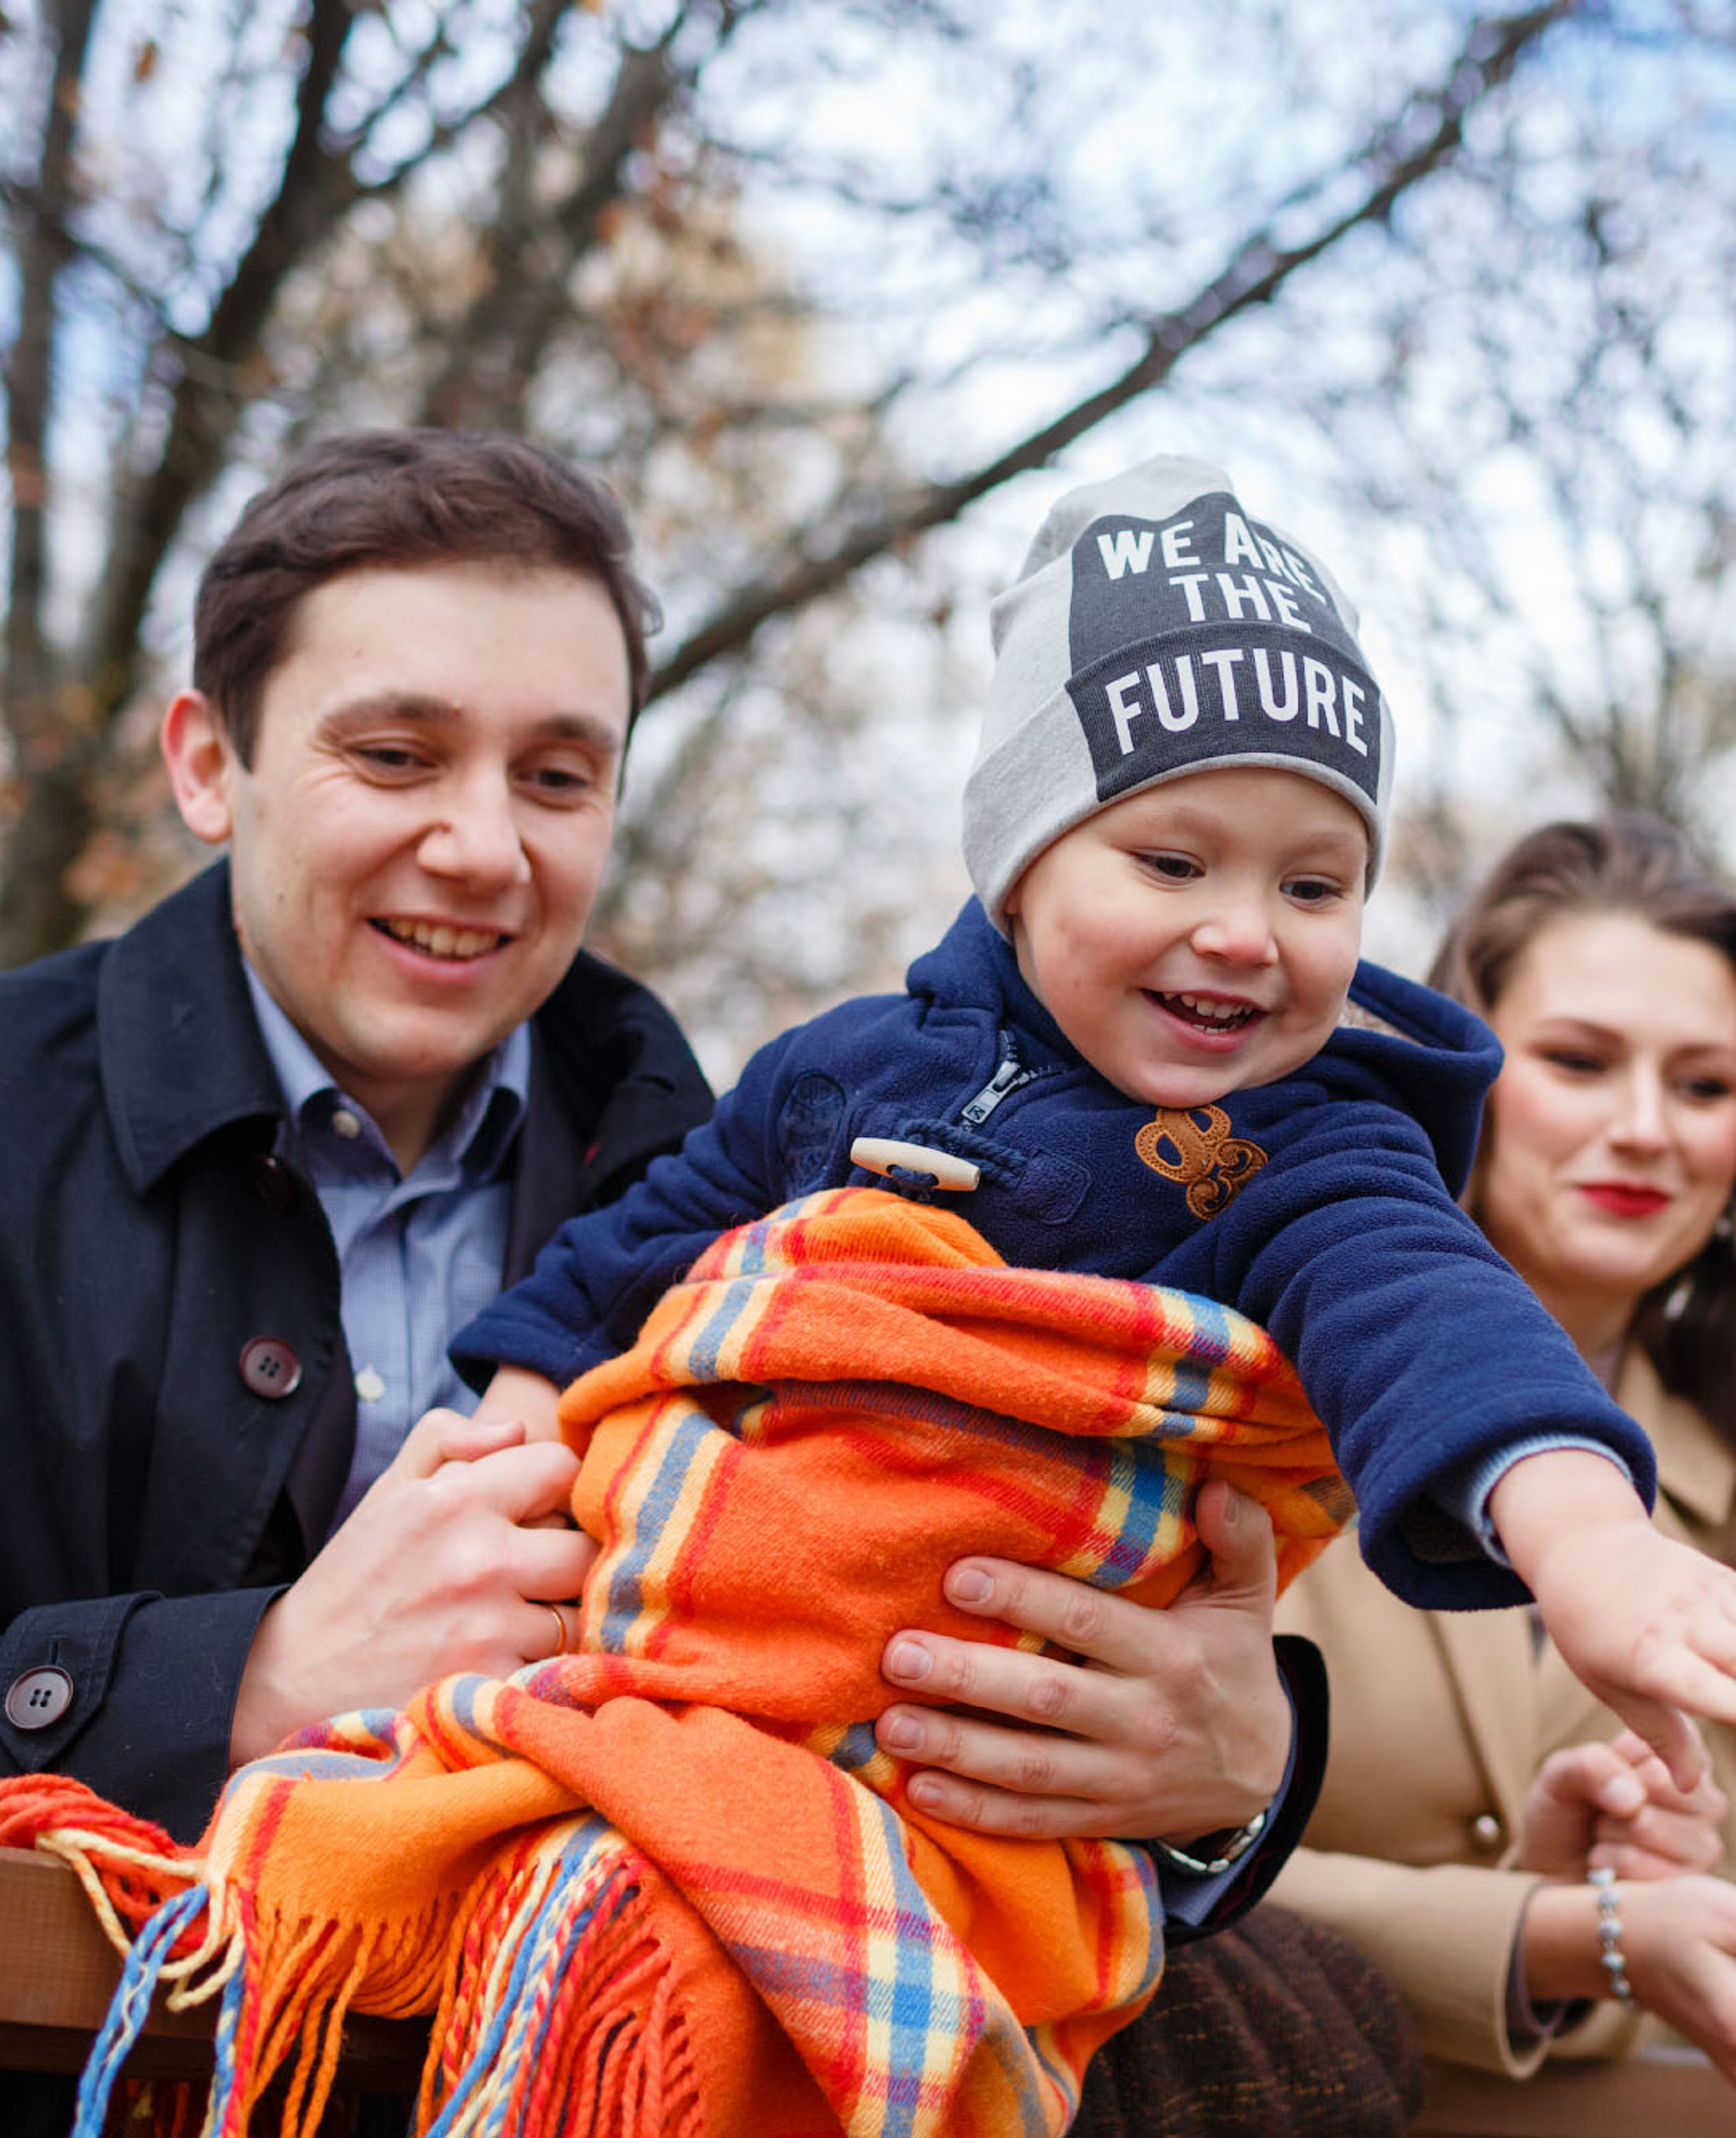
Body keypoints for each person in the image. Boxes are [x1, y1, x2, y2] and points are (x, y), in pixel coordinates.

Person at [0, 431, 1313, 2126]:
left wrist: (1232, 1781)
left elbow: (961, 1636)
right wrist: (241, 1679)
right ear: (206, 761)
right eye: (395, 754)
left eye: (558, 775)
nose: (481, 846)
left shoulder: (772, 1171)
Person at [461, 458, 1736, 1797]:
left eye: (1315, 887)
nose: (1243, 932)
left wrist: (1591, 1544)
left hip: (990, 1750)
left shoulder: (1305, 1155)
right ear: (1018, 872)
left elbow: (1438, 1322)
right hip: (700, 1661)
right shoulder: (833, 1073)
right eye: (1173, 862)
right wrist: (500, 1454)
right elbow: (622, 1263)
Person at [1256, 813, 1736, 2095]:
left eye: (1704, 1085)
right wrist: (1559, 1935)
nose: (1647, 1127)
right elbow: (1124, 1872)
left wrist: (1617, 1913)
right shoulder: (1251, 1358)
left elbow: (1651, 1958)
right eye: (1582, 1061)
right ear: (1463, 1073)